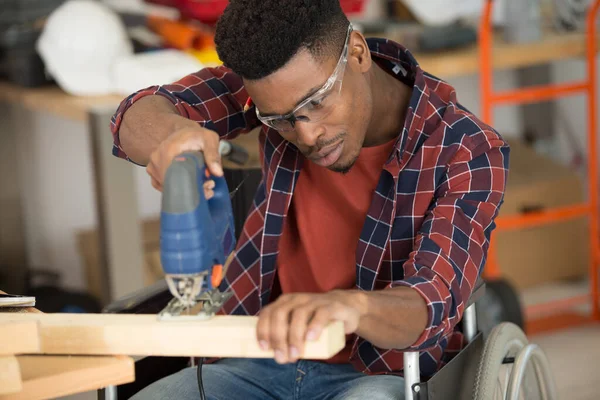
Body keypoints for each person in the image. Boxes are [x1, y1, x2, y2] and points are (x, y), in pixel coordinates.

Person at [110, 1, 510, 399]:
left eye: (315, 103)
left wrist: (352, 307)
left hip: (378, 374)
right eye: (281, 120)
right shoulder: (274, 88)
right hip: (256, 356)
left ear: (357, 53)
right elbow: (132, 115)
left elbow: (431, 300)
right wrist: (173, 137)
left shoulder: (467, 150)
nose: (306, 136)